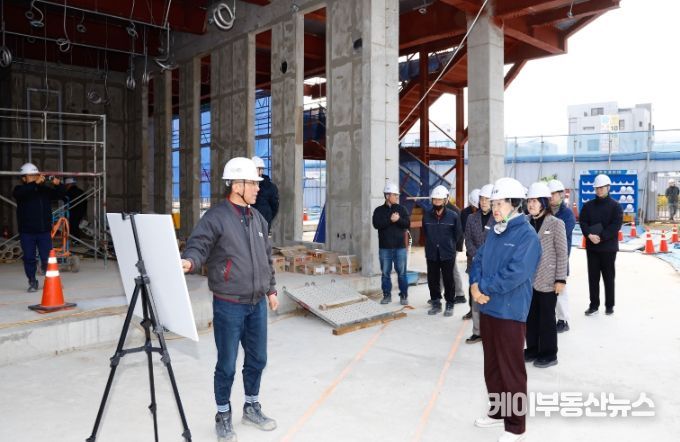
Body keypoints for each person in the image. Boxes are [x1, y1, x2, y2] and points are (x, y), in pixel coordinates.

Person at [181, 157, 279, 442]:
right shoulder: (216, 217)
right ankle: (223, 414)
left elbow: (266, 258)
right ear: (237, 186)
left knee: (258, 359)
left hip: (257, 303)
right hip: (229, 304)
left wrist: (271, 289)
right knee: (226, 364)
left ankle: (251, 406)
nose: (258, 188)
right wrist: (190, 261)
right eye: (253, 183)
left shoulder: (258, 218)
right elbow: (199, 244)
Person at [469, 177, 541, 442]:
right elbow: (478, 258)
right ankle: (498, 411)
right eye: (493, 203)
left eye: (500, 203)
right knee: (492, 365)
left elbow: (516, 273)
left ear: (514, 204)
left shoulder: (526, 236)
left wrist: (483, 287)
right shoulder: (496, 231)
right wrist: (474, 284)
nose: (495, 208)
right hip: (488, 307)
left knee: (511, 369)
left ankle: (515, 426)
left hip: (510, 311)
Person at [524, 182, 568, 369]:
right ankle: (533, 348)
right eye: (529, 201)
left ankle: (549, 354)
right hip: (528, 279)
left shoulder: (556, 223)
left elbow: (562, 253)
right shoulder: (525, 222)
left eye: (535, 201)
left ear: (543, 202)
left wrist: (560, 279)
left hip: (548, 279)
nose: (531, 204)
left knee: (546, 318)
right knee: (530, 317)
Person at [12, 163, 65, 292]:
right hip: (27, 232)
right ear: (23, 178)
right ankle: (32, 281)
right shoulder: (19, 190)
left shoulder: (44, 190)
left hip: (44, 231)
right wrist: (35, 184)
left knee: (47, 258)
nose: (35, 177)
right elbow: (21, 193)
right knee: (29, 258)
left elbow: (60, 195)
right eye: (31, 176)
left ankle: (51, 280)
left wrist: (59, 185)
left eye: (36, 175)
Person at [580, 174, 623, 316]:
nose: (599, 190)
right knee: (593, 278)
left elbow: (615, 225)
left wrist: (601, 237)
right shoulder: (588, 206)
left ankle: (609, 305)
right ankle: (594, 305)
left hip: (608, 248)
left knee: (609, 277)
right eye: (597, 188)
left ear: (608, 188)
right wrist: (589, 235)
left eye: (601, 188)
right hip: (592, 247)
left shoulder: (615, 206)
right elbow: (583, 222)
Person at [424, 185, 463, 316]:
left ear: (445, 200)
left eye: (439, 200)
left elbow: (458, 234)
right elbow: (426, 233)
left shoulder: (453, 216)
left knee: (448, 280)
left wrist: (449, 245)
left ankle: (450, 304)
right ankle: (436, 303)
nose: (437, 202)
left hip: (447, 253)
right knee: (433, 280)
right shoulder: (427, 215)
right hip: (432, 253)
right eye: (435, 200)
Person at [464, 184, 494, 343]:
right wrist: (477, 256)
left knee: (490, 298)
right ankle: (477, 331)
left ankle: (491, 332)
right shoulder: (471, 218)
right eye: (481, 199)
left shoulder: (498, 218)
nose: (483, 202)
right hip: (475, 264)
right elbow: (467, 239)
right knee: (476, 299)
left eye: (487, 199)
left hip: (492, 265)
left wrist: (487, 258)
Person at [372, 181, 410, 305]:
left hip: (400, 248)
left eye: (397, 195)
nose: (397, 197)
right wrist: (390, 220)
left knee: (402, 273)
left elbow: (407, 224)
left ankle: (403, 295)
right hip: (385, 248)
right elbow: (376, 224)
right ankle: (387, 295)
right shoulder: (378, 210)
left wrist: (398, 219)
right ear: (387, 195)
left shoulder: (402, 209)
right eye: (395, 195)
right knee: (385, 274)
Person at [548, 179, 575, 333]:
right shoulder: (545, 211)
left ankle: (563, 320)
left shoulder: (567, 214)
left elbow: (561, 235)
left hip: (560, 258)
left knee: (560, 290)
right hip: (545, 258)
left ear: (561, 195)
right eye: (549, 194)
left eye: (553, 194)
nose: (551, 197)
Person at [445, 190, 467, 305]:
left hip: (452, 246)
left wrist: (456, 247)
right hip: (442, 246)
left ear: (447, 197)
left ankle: (460, 294)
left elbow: (459, 232)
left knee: (452, 268)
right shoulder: (437, 209)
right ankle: (438, 294)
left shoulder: (455, 211)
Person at [461, 188, 480, 320]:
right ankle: (472, 310)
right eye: (474, 207)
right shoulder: (465, 214)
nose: (475, 210)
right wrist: (474, 253)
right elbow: (467, 236)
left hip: (486, 256)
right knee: (472, 282)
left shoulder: (491, 215)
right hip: (472, 255)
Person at [251, 156, 279, 233]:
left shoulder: (270, 186)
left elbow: (275, 206)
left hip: (263, 222)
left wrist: (267, 217)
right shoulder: (246, 185)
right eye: (258, 169)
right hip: (249, 222)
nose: (260, 171)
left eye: (261, 169)